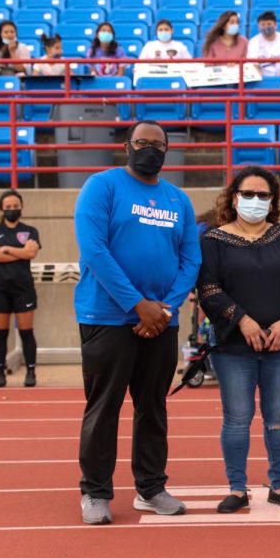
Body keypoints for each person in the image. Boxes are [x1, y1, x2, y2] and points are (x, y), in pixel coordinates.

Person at [74, 120, 201, 524]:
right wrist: (137, 304)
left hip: (161, 321)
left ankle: (150, 487)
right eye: (141, 142)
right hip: (106, 317)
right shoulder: (102, 186)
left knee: (153, 407)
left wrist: (163, 309)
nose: (149, 148)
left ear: (167, 151)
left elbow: (191, 259)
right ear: (126, 146)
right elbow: (94, 249)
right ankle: (95, 492)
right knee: (104, 407)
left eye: (157, 144)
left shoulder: (178, 199)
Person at [198, 166, 280, 514]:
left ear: (273, 200)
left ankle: (279, 484)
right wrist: (242, 320)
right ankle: (236, 488)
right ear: (234, 198)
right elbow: (208, 288)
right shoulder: (213, 240)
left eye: (263, 195)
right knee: (237, 418)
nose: (255, 200)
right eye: (248, 194)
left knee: (279, 419)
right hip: (234, 347)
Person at [0, 189, 41, 388]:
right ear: (1, 209)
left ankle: (31, 372)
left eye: (15, 206)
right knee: (0, 333)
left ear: (21, 208)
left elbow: (31, 253)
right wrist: (21, 252)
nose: (12, 210)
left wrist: (7, 249)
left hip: (23, 288)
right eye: (8, 207)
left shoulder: (31, 231)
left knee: (27, 333)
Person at [135, 19, 193, 83]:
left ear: (172, 31)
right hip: (153, 78)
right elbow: (140, 65)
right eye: (160, 30)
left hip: (175, 78)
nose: (163, 32)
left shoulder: (180, 46)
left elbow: (189, 64)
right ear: (156, 32)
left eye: (166, 29)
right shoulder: (149, 46)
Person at [247, 11, 280, 79]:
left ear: (275, 25)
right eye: (262, 25)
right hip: (261, 79)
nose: (266, 27)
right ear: (258, 27)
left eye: (269, 24)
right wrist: (263, 79)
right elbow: (253, 66)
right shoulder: (253, 42)